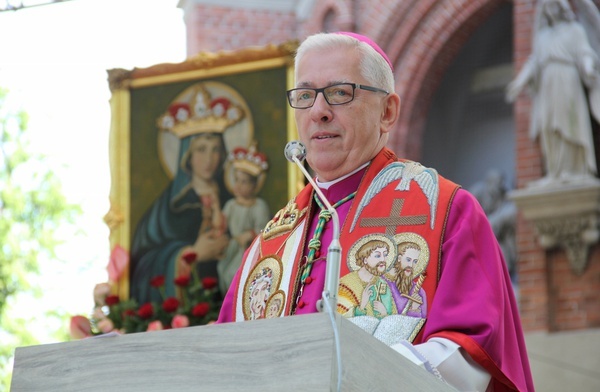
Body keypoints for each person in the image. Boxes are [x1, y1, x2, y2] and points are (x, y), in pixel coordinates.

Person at [217, 32, 534, 391]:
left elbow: (471, 356)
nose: (318, 112)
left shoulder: (447, 211)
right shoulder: (271, 243)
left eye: (339, 92)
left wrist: (352, 372)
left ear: (387, 112)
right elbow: (225, 358)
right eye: (305, 96)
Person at [130, 83, 241, 304]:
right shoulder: (170, 207)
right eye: (201, 149)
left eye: (216, 149)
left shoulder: (234, 201)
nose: (209, 159)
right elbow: (142, 263)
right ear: (187, 155)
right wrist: (191, 254)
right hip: (189, 309)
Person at [506, 0, 600, 185]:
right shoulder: (543, 36)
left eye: (555, 6)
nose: (552, 10)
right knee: (549, 126)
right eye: (548, 7)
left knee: (569, 122)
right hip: (548, 84)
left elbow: (585, 53)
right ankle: (556, 171)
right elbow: (534, 62)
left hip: (568, 80)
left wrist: (588, 68)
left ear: (562, 7)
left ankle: (576, 170)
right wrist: (519, 82)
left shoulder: (575, 30)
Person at [218, 144, 271, 294]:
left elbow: (265, 230)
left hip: (249, 248)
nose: (238, 185)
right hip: (233, 247)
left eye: (244, 181)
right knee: (223, 270)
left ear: (254, 185)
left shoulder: (259, 206)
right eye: (236, 180)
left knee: (237, 275)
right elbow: (221, 225)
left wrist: (249, 235)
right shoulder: (231, 205)